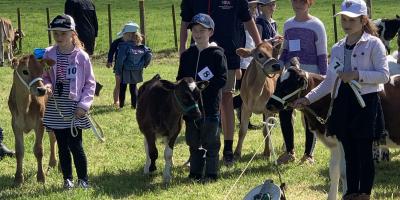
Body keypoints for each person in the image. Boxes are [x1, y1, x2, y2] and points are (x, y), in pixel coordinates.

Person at [293, 0, 389, 199]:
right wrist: (308, 99)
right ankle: (351, 193)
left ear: (363, 20)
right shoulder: (337, 48)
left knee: (364, 153)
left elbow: (384, 75)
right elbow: (329, 82)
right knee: (349, 153)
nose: (346, 24)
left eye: (351, 20)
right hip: (343, 104)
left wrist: (357, 74)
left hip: (366, 103)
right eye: (343, 19)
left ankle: (364, 194)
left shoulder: (374, 44)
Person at [180, 0, 262, 165]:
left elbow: (248, 20)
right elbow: (185, 22)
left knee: (226, 100)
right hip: (199, 55)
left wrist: (260, 45)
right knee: (199, 101)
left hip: (228, 56)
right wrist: (182, 48)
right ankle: (197, 150)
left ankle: (228, 150)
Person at [42, 14, 96, 189]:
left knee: (75, 145)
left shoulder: (82, 56)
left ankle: (83, 179)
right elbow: (45, 76)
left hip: (74, 107)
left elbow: (90, 83)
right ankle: (68, 179)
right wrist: (48, 85)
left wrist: (83, 105)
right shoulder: (48, 53)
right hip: (56, 107)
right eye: (55, 34)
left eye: (63, 34)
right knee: (62, 147)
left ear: (72, 34)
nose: (58, 37)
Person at [277, 0, 328, 165]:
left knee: (309, 116)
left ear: (309, 3)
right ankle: (289, 151)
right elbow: (285, 50)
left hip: (309, 78)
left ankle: (308, 154)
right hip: (290, 77)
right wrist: (280, 66)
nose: (297, 4)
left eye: (302, 1)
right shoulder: (288, 24)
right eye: (294, 1)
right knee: (284, 112)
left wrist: (323, 78)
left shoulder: (317, 25)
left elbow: (322, 54)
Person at [177, 13, 227, 181]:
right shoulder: (187, 55)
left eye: (202, 30)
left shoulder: (217, 54)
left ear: (210, 32)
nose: (197, 34)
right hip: (191, 108)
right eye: (194, 30)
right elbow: (180, 78)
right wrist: (187, 86)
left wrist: (204, 87)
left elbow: (222, 78)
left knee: (211, 141)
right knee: (193, 141)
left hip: (210, 106)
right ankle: (195, 173)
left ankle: (211, 174)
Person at [114, 22, 152, 109]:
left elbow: (120, 60)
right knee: (133, 87)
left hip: (125, 70)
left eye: (124, 35)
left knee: (123, 87)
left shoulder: (123, 46)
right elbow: (149, 55)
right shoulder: (141, 46)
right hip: (137, 70)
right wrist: (143, 64)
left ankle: (121, 106)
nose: (122, 37)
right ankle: (134, 106)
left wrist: (118, 71)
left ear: (128, 35)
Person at [106, 26, 125, 108]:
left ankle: (135, 100)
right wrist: (109, 61)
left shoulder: (134, 42)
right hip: (119, 66)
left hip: (131, 67)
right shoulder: (116, 42)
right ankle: (116, 101)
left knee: (133, 84)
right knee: (118, 84)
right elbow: (111, 52)